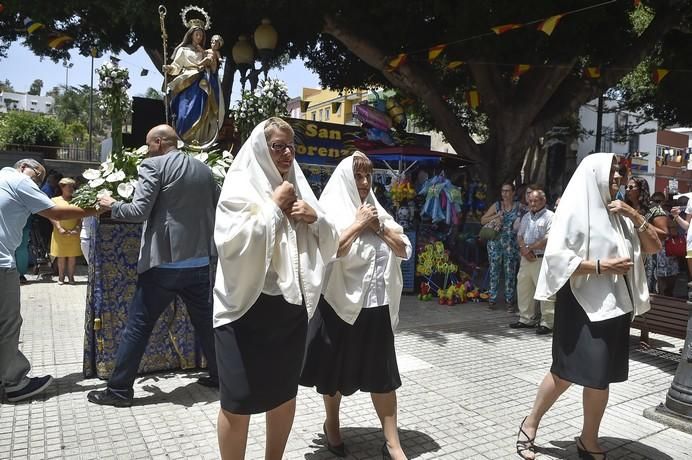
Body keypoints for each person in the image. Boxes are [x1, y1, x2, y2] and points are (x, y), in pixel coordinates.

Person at [515, 153, 661, 460]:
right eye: (612, 173)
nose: (618, 179)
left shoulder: (620, 213)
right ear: (594, 174)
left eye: (620, 174)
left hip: (616, 306)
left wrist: (634, 215)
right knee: (565, 372)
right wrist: (600, 266)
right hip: (581, 304)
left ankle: (588, 439)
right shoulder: (572, 212)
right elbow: (556, 261)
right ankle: (530, 423)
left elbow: (654, 246)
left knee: (600, 377)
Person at [213, 117, 338, 460]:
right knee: (237, 403)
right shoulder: (240, 184)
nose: (286, 154)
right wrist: (273, 206)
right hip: (243, 307)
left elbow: (331, 237)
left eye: (290, 146)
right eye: (278, 146)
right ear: (261, 148)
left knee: (283, 395)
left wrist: (314, 217)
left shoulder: (297, 182)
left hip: (288, 307)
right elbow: (229, 243)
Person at [87, 124, 219, 407]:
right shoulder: (204, 170)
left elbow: (138, 211)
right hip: (199, 259)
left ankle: (119, 391)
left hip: (165, 262)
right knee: (206, 322)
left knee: (138, 325)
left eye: (149, 144)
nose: (147, 149)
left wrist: (112, 204)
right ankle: (221, 375)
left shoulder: (153, 165)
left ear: (159, 142)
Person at [300, 152, 412, 459]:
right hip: (339, 308)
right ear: (347, 179)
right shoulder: (331, 213)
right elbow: (328, 251)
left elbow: (404, 249)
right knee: (332, 375)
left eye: (368, 176)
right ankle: (332, 426)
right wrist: (357, 224)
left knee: (384, 377)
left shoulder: (378, 213)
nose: (364, 183)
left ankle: (392, 441)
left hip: (377, 307)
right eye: (358, 176)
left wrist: (378, 228)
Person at [1, 159, 99, 402]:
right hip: (2, 264)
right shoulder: (19, 180)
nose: (40, 181)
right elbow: (56, 212)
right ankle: (14, 382)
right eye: (39, 174)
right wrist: (98, 209)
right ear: (24, 166)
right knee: (7, 324)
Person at [164, 25, 224, 146]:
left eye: (201, 35)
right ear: (191, 35)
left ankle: (198, 141)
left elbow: (212, 65)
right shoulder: (183, 50)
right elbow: (176, 67)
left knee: (202, 112)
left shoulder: (204, 51)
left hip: (201, 84)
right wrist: (169, 68)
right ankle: (182, 141)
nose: (199, 37)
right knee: (184, 113)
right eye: (197, 34)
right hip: (186, 82)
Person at [510, 189, 555, 335]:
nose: (533, 203)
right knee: (524, 289)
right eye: (530, 201)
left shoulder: (551, 217)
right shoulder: (526, 217)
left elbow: (549, 238)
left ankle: (547, 322)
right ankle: (526, 319)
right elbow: (519, 235)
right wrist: (524, 249)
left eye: (536, 200)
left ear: (543, 200)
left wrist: (530, 248)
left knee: (545, 292)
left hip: (541, 259)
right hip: (526, 258)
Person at [480, 183, 520, 310]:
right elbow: (483, 220)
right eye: (503, 191)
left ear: (513, 192)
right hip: (495, 243)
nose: (505, 194)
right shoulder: (497, 205)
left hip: (511, 244)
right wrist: (497, 216)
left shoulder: (519, 207)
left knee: (510, 272)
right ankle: (492, 299)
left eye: (508, 191)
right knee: (494, 270)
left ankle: (509, 300)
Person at [623, 177, 668, 292]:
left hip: (647, 255)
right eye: (626, 187)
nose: (627, 190)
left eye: (631, 187)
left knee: (642, 288)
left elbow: (664, 233)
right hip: (627, 253)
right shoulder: (625, 207)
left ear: (641, 190)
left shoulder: (653, 209)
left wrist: (640, 220)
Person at [48, 178, 82, 285]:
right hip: (60, 232)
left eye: (73, 186)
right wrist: (59, 227)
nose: (71, 189)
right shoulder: (54, 200)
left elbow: (81, 216)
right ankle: (61, 277)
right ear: (62, 187)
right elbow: (51, 215)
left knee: (72, 257)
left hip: (73, 233)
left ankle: (71, 277)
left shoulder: (78, 200)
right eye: (69, 187)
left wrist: (77, 228)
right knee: (61, 256)